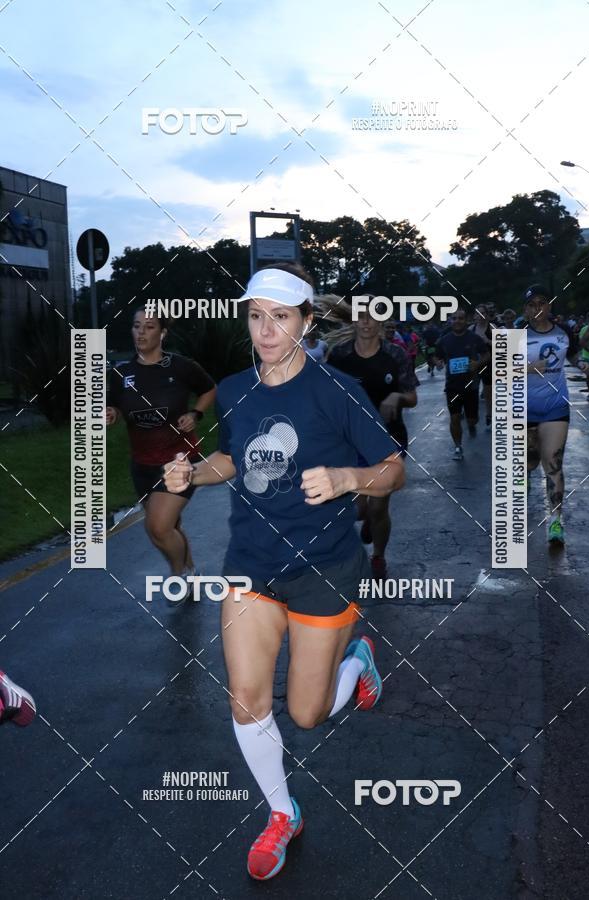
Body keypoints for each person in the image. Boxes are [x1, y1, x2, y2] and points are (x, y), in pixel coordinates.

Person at [163, 262, 405, 881]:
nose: (266, 330)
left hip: (323, 566)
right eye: (255, 316)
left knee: (306, 715)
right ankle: (281, 812)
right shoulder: (235, 389)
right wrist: (193, 473)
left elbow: (393, 469)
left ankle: (358, 662)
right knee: (245, 699)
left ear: (305, 321)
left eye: (280, 316)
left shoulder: (336, 390)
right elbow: (232, 458)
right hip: (250, 563)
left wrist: (348, 478)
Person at [106, 309, 216, 599]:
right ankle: (190, 572)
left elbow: (209, 389)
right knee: (170, 527)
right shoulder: (120, 374)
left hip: (179, 461)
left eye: (149, 326)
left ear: (163, 333)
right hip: (142, 464)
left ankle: (179, 576)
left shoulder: (181, 366)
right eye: (136, 326)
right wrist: (111, 413)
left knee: (158, 526)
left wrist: (196, 413)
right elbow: (114, 405)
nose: (141, 332)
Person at [328, 304, 417, 578]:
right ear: (353, 321)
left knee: (379, 505)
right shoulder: (339, 355)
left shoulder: (396, 354)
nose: (366, 322)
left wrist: (397, 397)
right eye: (361, 317)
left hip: (388, 438)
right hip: (351, 441)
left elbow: (412, 397)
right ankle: (365, 517)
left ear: (381, 321)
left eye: (373, 317)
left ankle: (378, 556)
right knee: (358, 510)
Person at [524, 286, 589, 544]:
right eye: (532, 304)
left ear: (549, 306)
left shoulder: (563, 332)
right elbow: (499, 370)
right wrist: (528, 368)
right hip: (523, 407)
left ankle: (555, 521)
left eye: (542, 302)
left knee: (552, 462)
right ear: (526, 309)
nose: (537, 308)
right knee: (530, 462)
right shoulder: (516, 334)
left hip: (555, 406)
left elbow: (571, 354)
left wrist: (580, 363)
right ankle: (526, 474)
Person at [433, 309, 489, 460]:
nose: (457, 321)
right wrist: (438, 362)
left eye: (461, 318)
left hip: (471, 386)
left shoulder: (474, 338)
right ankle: (458, 447)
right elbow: (436, 357)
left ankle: (471, 425)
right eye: (454, 318)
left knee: (472, 419)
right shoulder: (444, 340)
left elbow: (486, 355)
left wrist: (477, 363)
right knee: (455, 417)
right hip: (452, 386)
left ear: (466, 320)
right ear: (450, 320)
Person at [469, 303, 494, 429]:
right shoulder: (471, 329)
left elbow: (503, 345)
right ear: (475, 316)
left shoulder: (492, 328)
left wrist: (488, 341)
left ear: (487, 315)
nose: (481, 316)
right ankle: (472, 416)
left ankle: (489, 414)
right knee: (472, 391)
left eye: (483, 313)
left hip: (489, 363)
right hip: (474, 364)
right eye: (478, 313)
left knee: (488, 392)